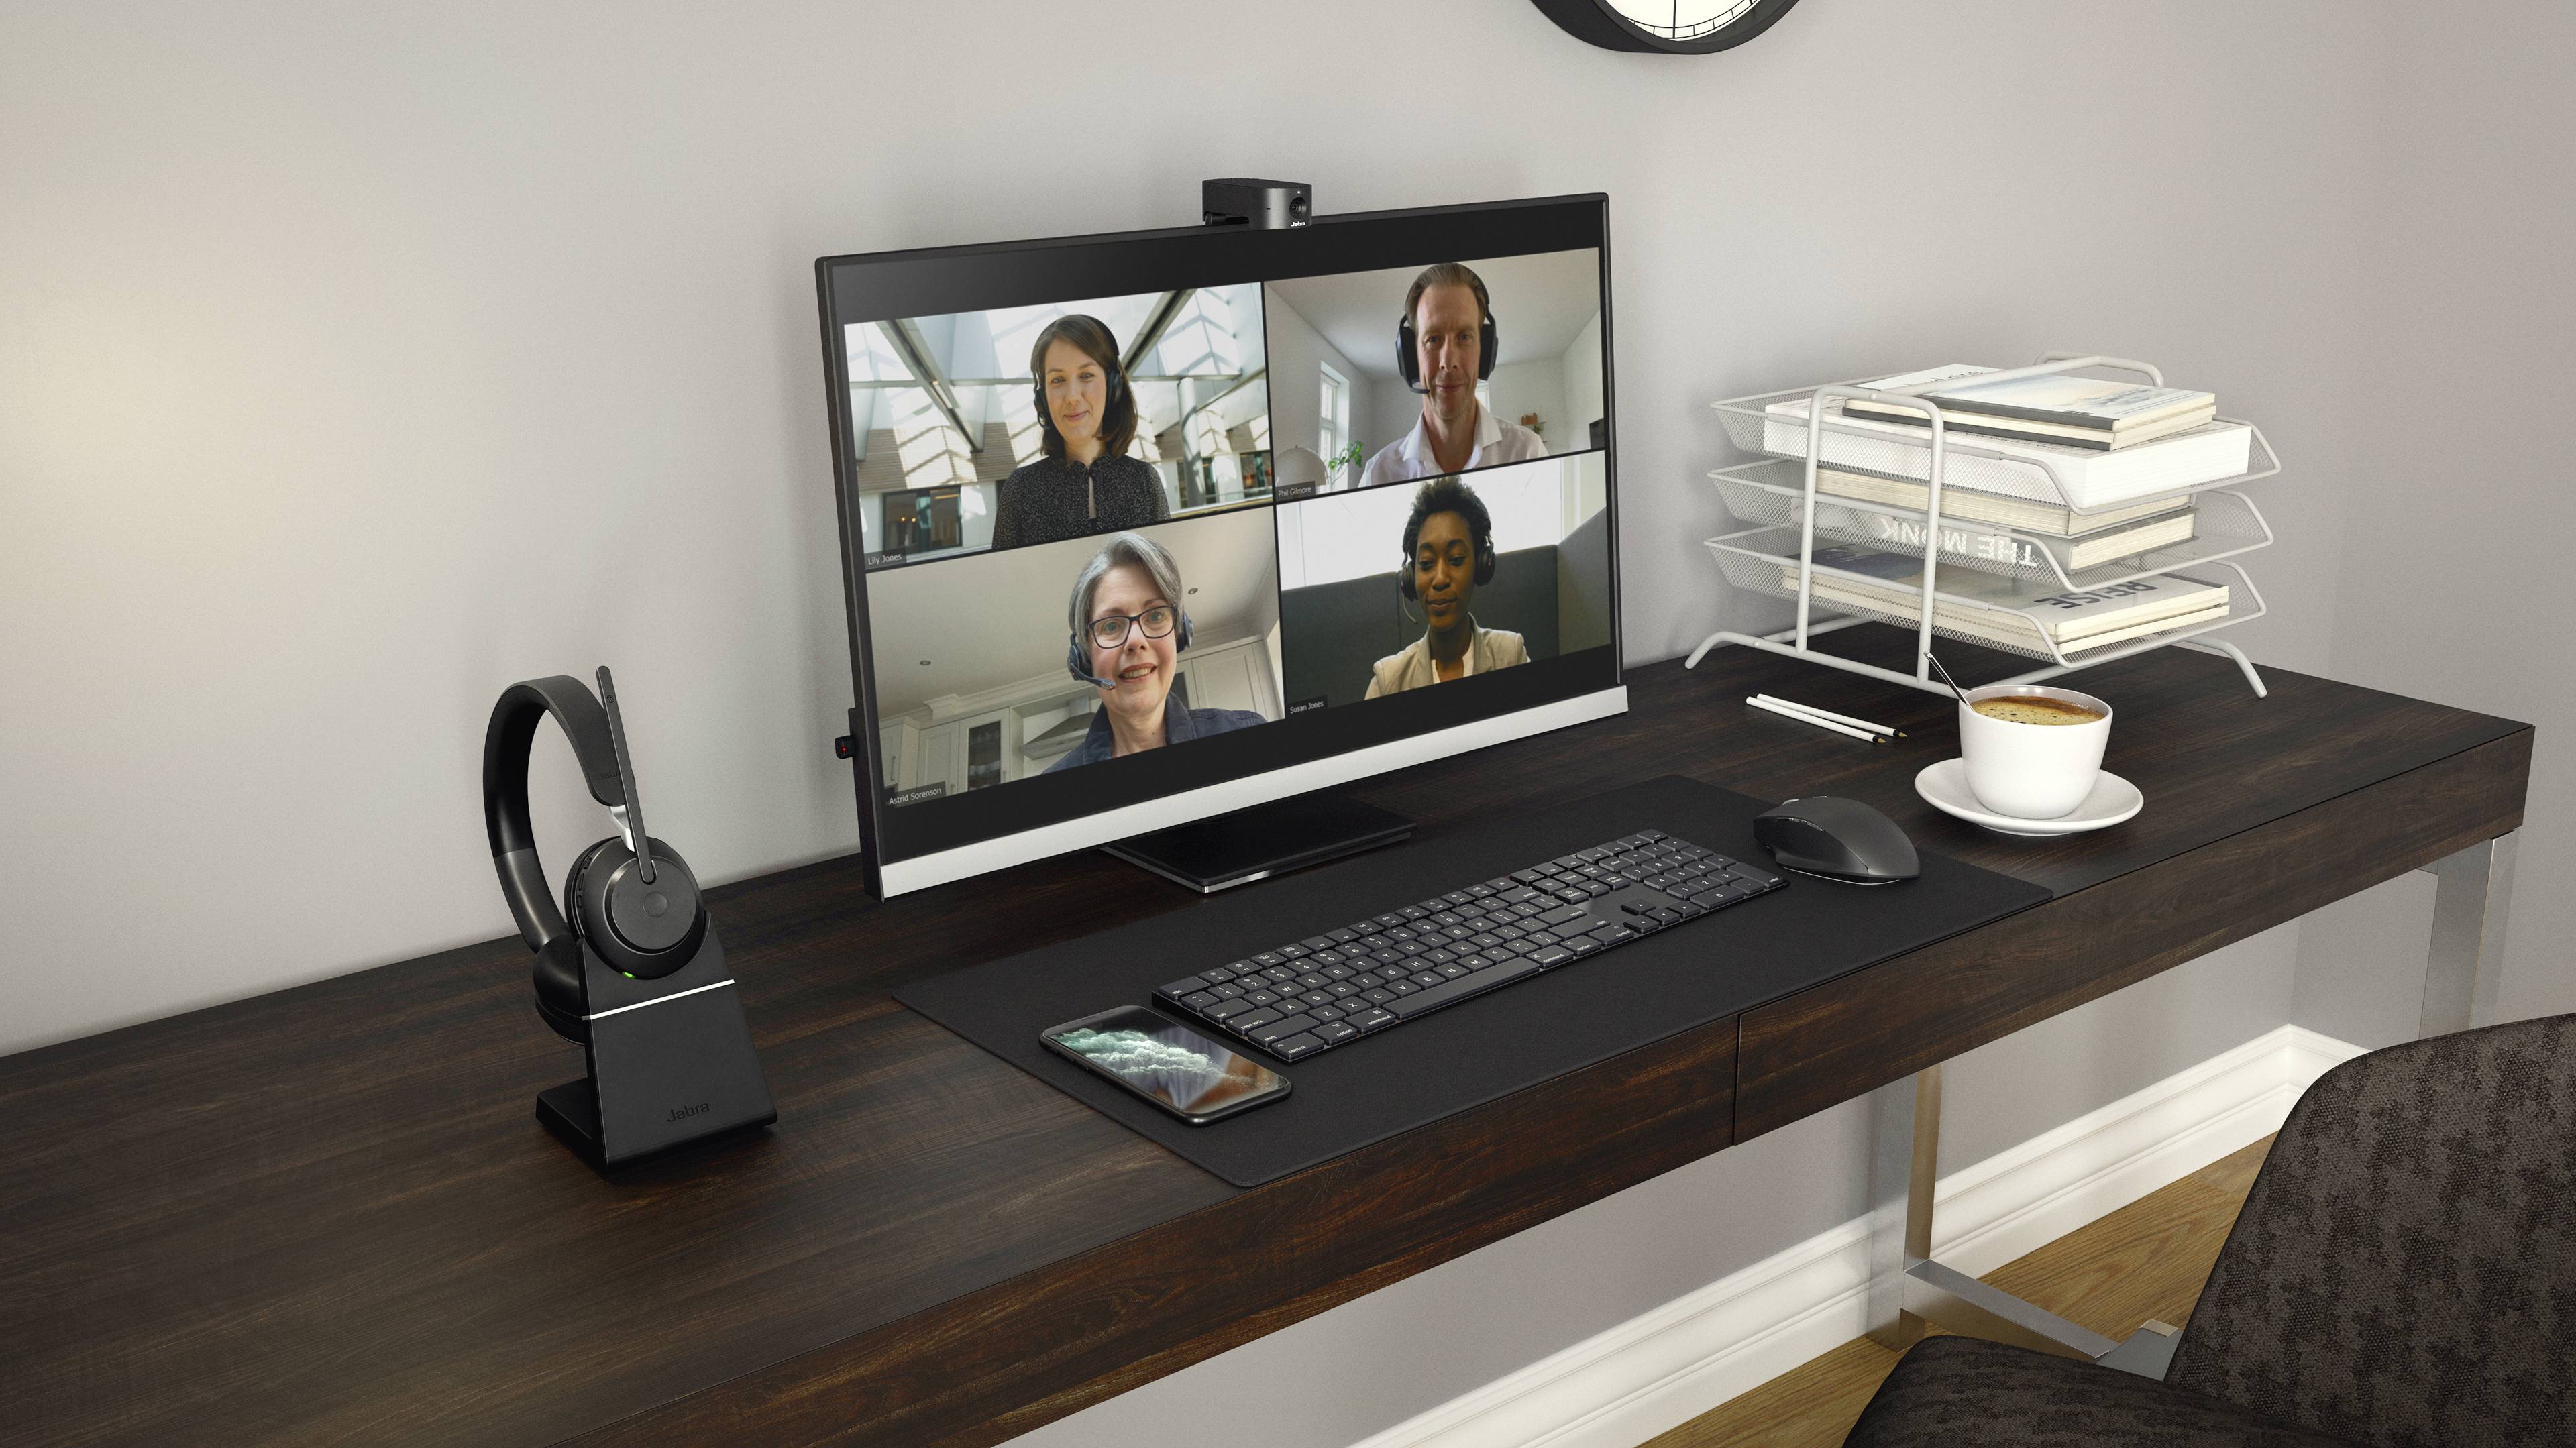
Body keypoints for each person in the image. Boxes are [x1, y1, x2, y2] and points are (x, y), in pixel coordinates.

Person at [1044, 532, 1267, 772]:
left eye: (1156, 615)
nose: (1136, 640)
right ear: (1085, 658)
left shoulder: (1246, 736)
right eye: (1111, 625)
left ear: (1179, 635)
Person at [1357, 263, 1547, 489]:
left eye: (1465, 337)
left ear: (1484, 351)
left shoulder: (1527, 453)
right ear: (1411, 355)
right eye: (1433, 339)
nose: (1449, 363)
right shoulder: (1379, 475)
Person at [991, 315, 1171, 549]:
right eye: (1057, 380)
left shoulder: (1145, 481)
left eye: (1086, 375)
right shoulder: (1020, 490)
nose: (1073, 397)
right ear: (1042, 399)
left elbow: (1164, 578)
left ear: (1113, 387)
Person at [1366, 478, 1529, 698]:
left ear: (1481, 567)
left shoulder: (1511, 656)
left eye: (1456, 559)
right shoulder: (1388, 682)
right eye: (1426, 564)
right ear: (1411, 576)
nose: (1440, 579)